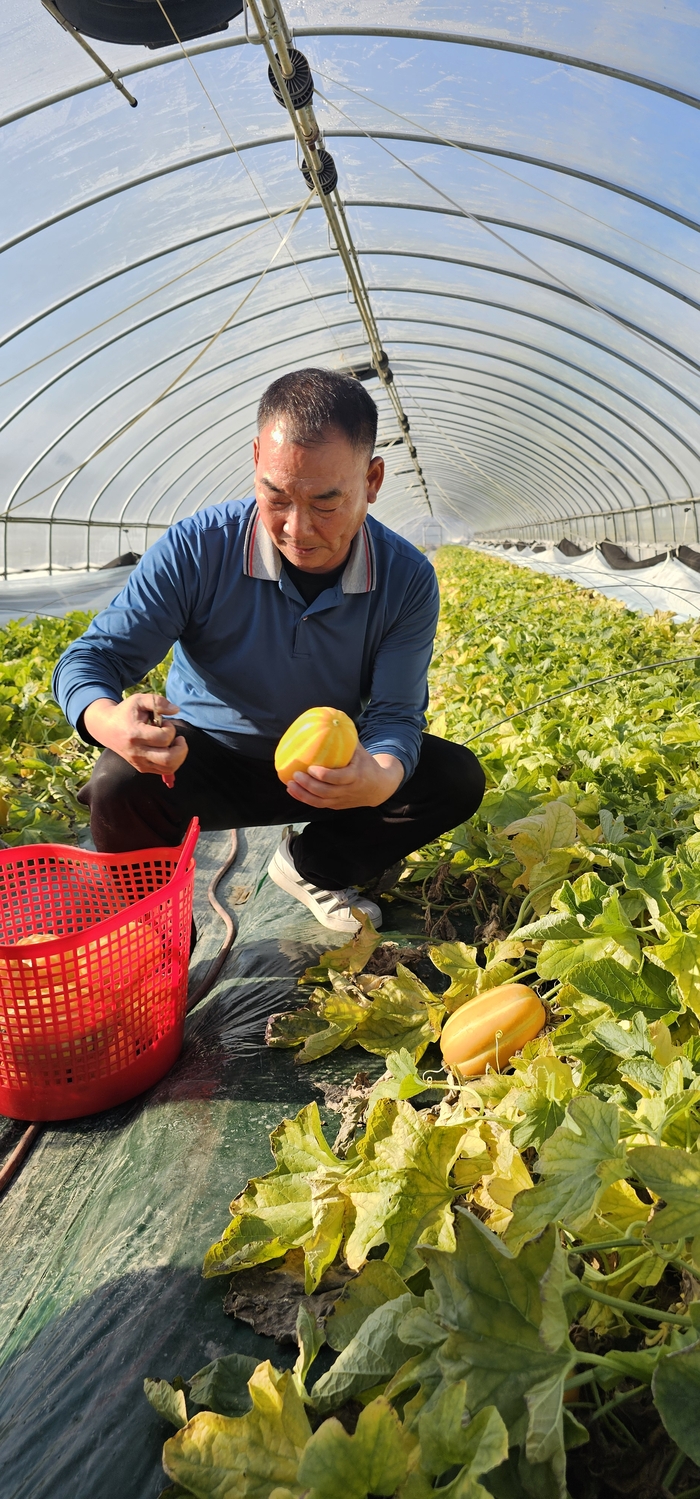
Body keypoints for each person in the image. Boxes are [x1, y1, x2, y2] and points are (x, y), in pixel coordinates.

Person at [53, 368, 485, 934]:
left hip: (325, 771)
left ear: (372, 480)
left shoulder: (405, 579)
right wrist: (107, 719)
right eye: (275, 495)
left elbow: (394, 715)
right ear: (257, 457)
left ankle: (310, 867)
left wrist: (377, 776)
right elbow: (93, 659)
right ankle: (154, 938)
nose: (297, 528)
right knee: (119, 782)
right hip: (205, 757)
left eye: (326, 503)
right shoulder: (198, 548)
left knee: (450, 778)